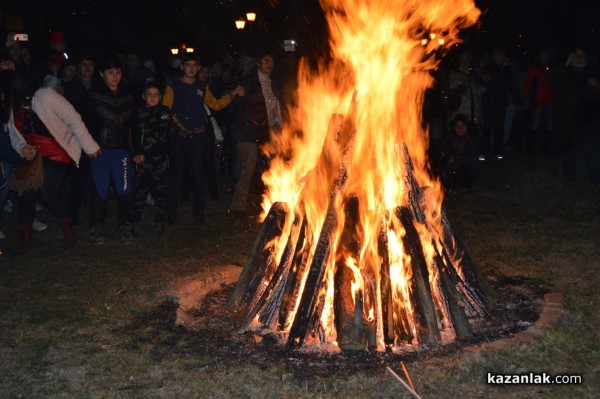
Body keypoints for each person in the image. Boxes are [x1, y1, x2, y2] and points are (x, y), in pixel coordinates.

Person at [1, 70, 100, 254]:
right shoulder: (9, 109)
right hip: (33, 156)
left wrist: (90, 146)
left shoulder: (45, 95)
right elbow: (15, 137)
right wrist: (23, 148)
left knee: (48, 192)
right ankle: (25, 238)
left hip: (57, 152)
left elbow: (73, 119)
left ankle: (68, 228)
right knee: (25, 192)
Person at [162, 54, 244, 225]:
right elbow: (165, 111)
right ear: (182, 67)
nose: (191, 69)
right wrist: (179, 125)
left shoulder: (202, 86)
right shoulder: (173, 87)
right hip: (179, 136)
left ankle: (199, 211)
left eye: (194, 65)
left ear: (198, 68)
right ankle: (171, 213)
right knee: (177, 173)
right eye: (187, 65)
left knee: (197, 173)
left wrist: (233, 94)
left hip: (198, 136)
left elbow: (215, 104)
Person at [88, 55, 137, 244]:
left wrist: (136, 149)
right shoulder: (94, 96)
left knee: (124, 189)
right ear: (102, 74)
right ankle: (96, 225)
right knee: (100, 190)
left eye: (118, 71)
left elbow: (134, 125)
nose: (115, 76)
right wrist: (89, 146)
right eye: (110, 72)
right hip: (99, 152)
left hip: (121, 152)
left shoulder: (128, 95)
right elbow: (85, 124)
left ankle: (125, 224)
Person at [230, 51, 283, 218]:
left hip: (271, 129)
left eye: (272, 62)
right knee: (249, 166)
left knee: (274, 165)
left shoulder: (273, 82)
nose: (269, 65)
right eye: (266, 61)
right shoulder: (249, 82)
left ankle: (276, 200)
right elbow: (237, 107)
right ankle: (238, 206)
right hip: (249, 131)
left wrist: (280, 124)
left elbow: (278, 105)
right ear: (258, 63)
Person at [548, 46, 600, 187]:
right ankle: (569, 179)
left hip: (589, 119)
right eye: (576, 55)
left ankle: (595, 179)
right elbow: (552, 79)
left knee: (592, 150)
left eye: (582, 56)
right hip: (569, 118)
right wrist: (566, 64)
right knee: (570, 149)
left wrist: (597, 85)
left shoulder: (593, 70)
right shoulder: (566, 70)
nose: (579, 59)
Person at [130, 82, 175, 236]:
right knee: (140, 191)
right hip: (143, 159)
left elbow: (170, 134)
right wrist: (136, 152)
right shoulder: (137, 112)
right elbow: (134, 135)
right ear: (144, 96)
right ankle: (135, 221)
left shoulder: (165, 111)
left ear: (160, 97)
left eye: (156, 94)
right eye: (149, 94)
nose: (153, 97)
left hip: (161, 159)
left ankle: (159, 221)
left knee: (161, 191)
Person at [63, 54, 97, 225]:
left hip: (96, 137)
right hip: (76, 138)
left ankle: (96, 214)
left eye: (90, 64)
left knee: (95, 176)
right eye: (84, 64)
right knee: (78, 177)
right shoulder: (69, 87)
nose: (87, 67)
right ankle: (73, 214)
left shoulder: (99, 85)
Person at [479, 46, 521, 160]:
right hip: (488, 103)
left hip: (501, 104)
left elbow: (511, 86)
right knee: (486, 128)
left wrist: (518, 99)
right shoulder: (488, 67)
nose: (500, 57)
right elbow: (482, 82)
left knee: (499, 128)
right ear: (494, 55)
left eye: (502, 54)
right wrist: (484, 79)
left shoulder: (506, 70)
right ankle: (482, 152)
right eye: (498, 54)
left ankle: (497, 151)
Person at [433, 114, 479, 190]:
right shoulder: (450, 137)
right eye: (458, 126)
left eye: (463, 126)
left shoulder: (472, 140)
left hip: (466, 168)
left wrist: (455, 160)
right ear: (454, 128)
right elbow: (440, 150)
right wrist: (444, 155)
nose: (461, 129)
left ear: (467, 126)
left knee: (464, 173)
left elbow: (471, 159)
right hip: (451, 167)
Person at [522, 47, 554, 155]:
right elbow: (528, 83)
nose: (545, 56)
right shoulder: (534, 67)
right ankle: (529, 149)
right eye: (543, 53)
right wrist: (525, 96)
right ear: (539, 55)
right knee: (534, 124)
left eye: (546, 54)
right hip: (538, 100)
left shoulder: (550, 67)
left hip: (549, 100)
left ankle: (546, 148)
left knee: (548, 126)